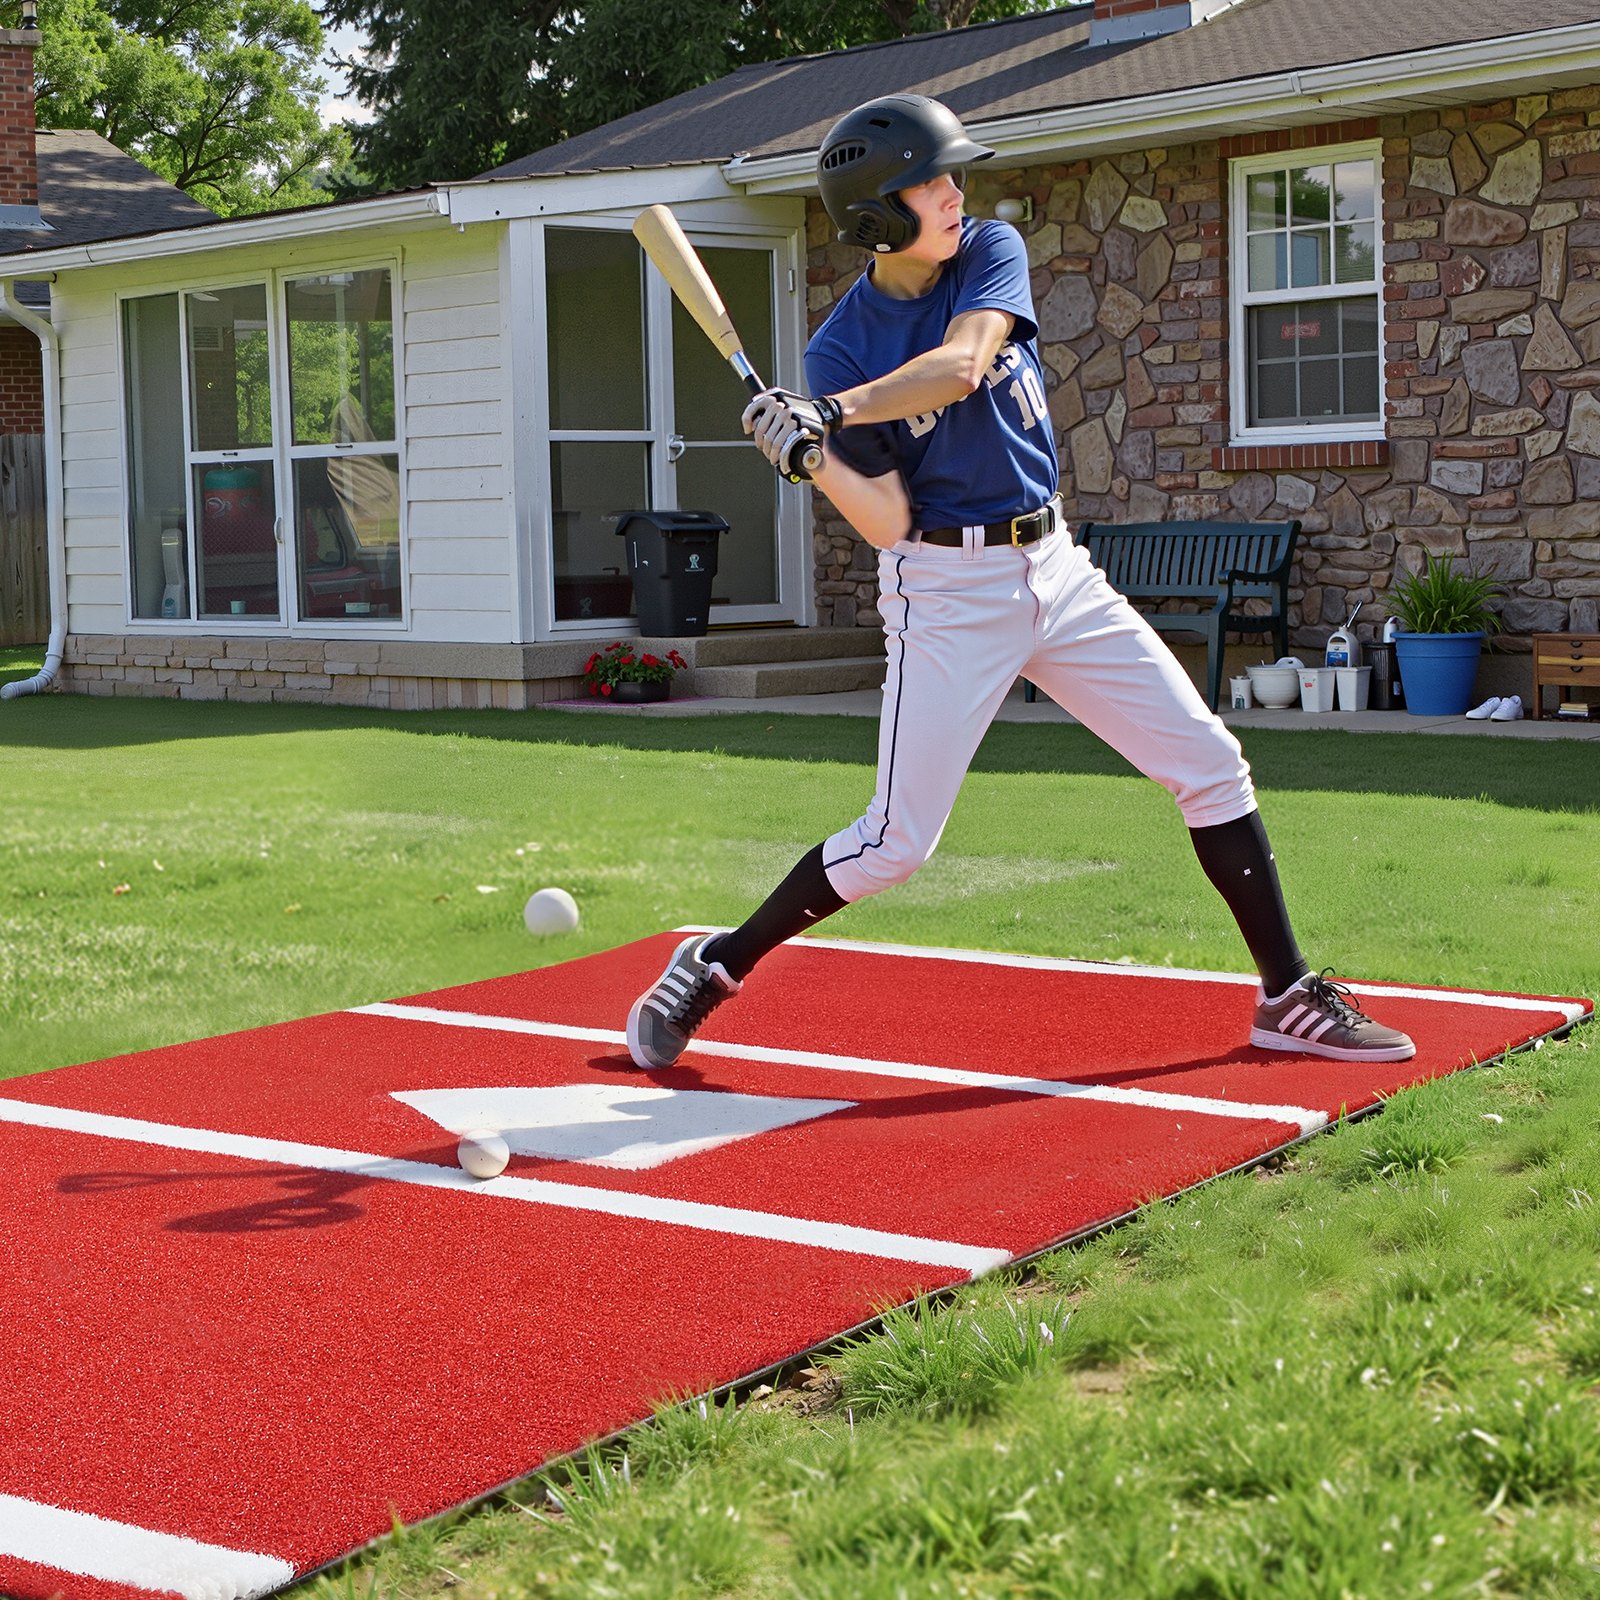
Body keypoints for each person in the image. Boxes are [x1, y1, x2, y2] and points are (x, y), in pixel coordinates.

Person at [625, 93, 1413, 1072]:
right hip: (945, 593)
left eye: (951, 173)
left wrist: (829, 413)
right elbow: (886, 520)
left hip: (1057, 566)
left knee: (1209, 761)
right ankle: (717, 963)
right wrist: (810, 460)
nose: (955, 192)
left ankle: (1286, 995)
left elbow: (963, 365)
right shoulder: (839, 347)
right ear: (876, 213)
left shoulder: (986, 252)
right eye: (929, 181)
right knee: (896, 844)